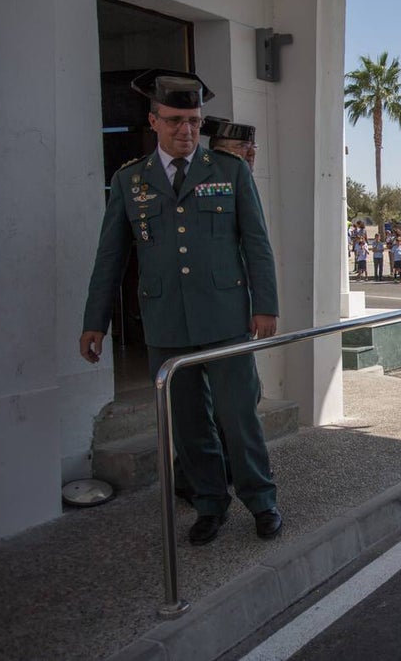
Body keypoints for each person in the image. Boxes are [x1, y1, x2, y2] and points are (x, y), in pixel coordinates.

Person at [80, 69, 281, 545]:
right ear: (154, 121)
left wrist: (265, 305)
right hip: (167, 324)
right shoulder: (131, 180)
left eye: (192, 120)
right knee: (189, 426)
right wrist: (95, 323)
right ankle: (210, 505)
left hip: (226, 318)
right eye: (174, 121)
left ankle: (262, 500)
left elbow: (256, 242)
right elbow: (110, 257)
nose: (185, 130)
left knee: (239, 419)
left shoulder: (229, 172)